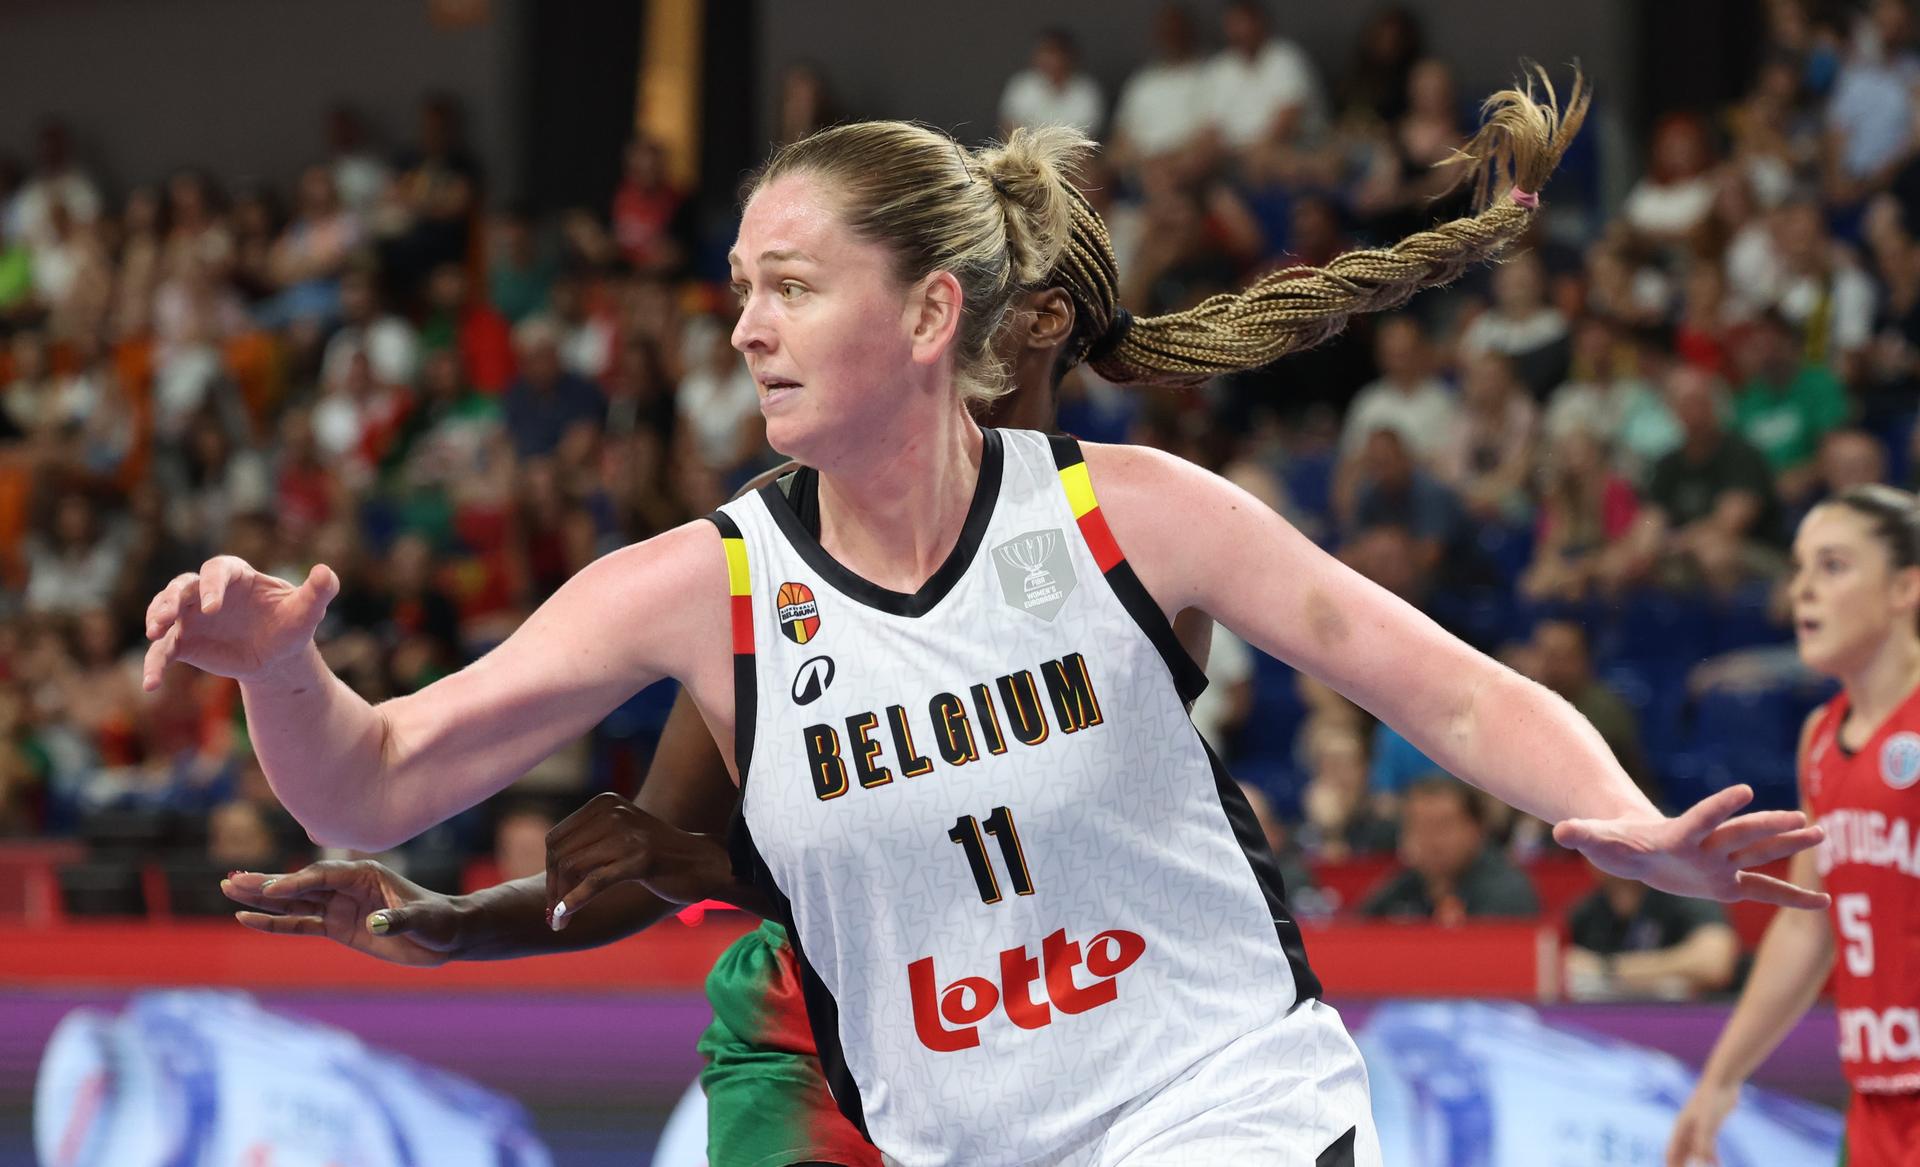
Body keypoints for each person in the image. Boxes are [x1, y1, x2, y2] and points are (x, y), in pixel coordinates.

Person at [162, 86, 1819, 1166]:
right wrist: (283, 669)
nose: (745, 327)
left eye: (792, 285)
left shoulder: (1125, 516)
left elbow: (1446, 690)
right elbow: (368, 787)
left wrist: (1614, 819)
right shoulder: (701, 588)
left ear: (932, 308)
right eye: (738, 286)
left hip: (1228, 1111)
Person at [1668, 484, 1920, 1167]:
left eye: (1833, 566)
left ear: (1905, 588)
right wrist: (1720, 1078)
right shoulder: (1820, 737)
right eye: (1800, 566)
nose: (1803, 588)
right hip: (1874, 1102)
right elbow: (1808, 922)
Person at [1358, 774, 1541, 923]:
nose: (1430, 840)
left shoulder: (1507, 893)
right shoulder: (1399, 889)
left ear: (1476, 829)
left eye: (1443, 826)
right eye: (1419, 827)